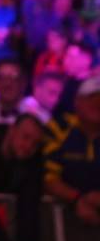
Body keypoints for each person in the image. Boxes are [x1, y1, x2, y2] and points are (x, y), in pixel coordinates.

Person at [43, 76, 100, 225]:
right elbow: (47, 178)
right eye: (91, 97)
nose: (97, 103)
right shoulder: (59, 127)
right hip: (62, 221)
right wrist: (78, 199)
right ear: (77, 102)